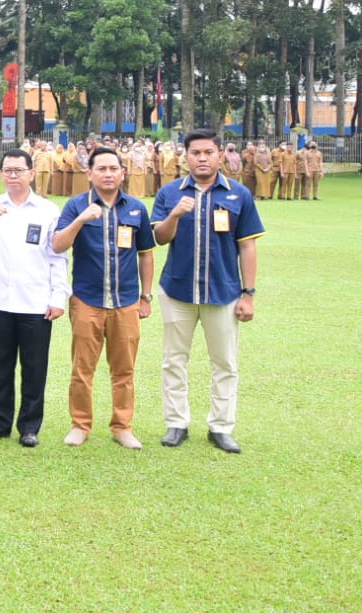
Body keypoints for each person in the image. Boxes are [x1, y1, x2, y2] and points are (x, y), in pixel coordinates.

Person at [151, 130, 264, 453]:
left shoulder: (238, 195)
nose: (202, 158)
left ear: (220, 156)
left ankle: (221, 427)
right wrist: (175, 214)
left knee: (225, 363)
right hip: (177, 290)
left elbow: (248, 246)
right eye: (196, 152)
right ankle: (176, 423)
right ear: (185, 156)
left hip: (223, 292)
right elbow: (159, 237)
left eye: (208, 152)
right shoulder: (170, 193)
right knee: (174, 360)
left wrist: (248, 293)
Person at [51, 146, 154, 450]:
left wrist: (146, 296)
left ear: (123, 172)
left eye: (113, 169)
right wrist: (81, 219)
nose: (108, 174)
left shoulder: (136, 208)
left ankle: (122, 426)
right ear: (90, 173)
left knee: (124, 369)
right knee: (83, 368)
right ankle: (80, 424)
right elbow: (58, 244)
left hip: (126, 301)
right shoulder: (75, 206)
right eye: (102, 169)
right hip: (87, 300)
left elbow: (146, 255)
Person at [0, 148, 67, 448]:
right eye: (7, 170)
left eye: (18, 170)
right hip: (0, 299)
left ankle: (30, 426)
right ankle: (0, 423)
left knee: (35, 367)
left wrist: (58, 296)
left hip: (36, 300)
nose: (12, 176)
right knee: (1, 365)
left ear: (31, 173)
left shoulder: (47, 210)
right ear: (0, 174)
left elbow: (58, 256)